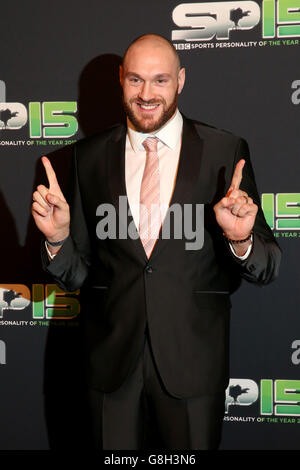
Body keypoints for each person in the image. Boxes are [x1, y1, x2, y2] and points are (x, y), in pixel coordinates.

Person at [31, 34, 281, 450]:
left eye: (160, 80)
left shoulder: (225, 152)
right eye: (136, 80)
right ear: (121, 80)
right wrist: (58, 240)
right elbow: (77, 276)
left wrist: (241, 241)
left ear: (181, 80)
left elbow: (269, 264)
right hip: (109, 366)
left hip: (193, 364)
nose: (147, 94)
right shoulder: (86, 158)